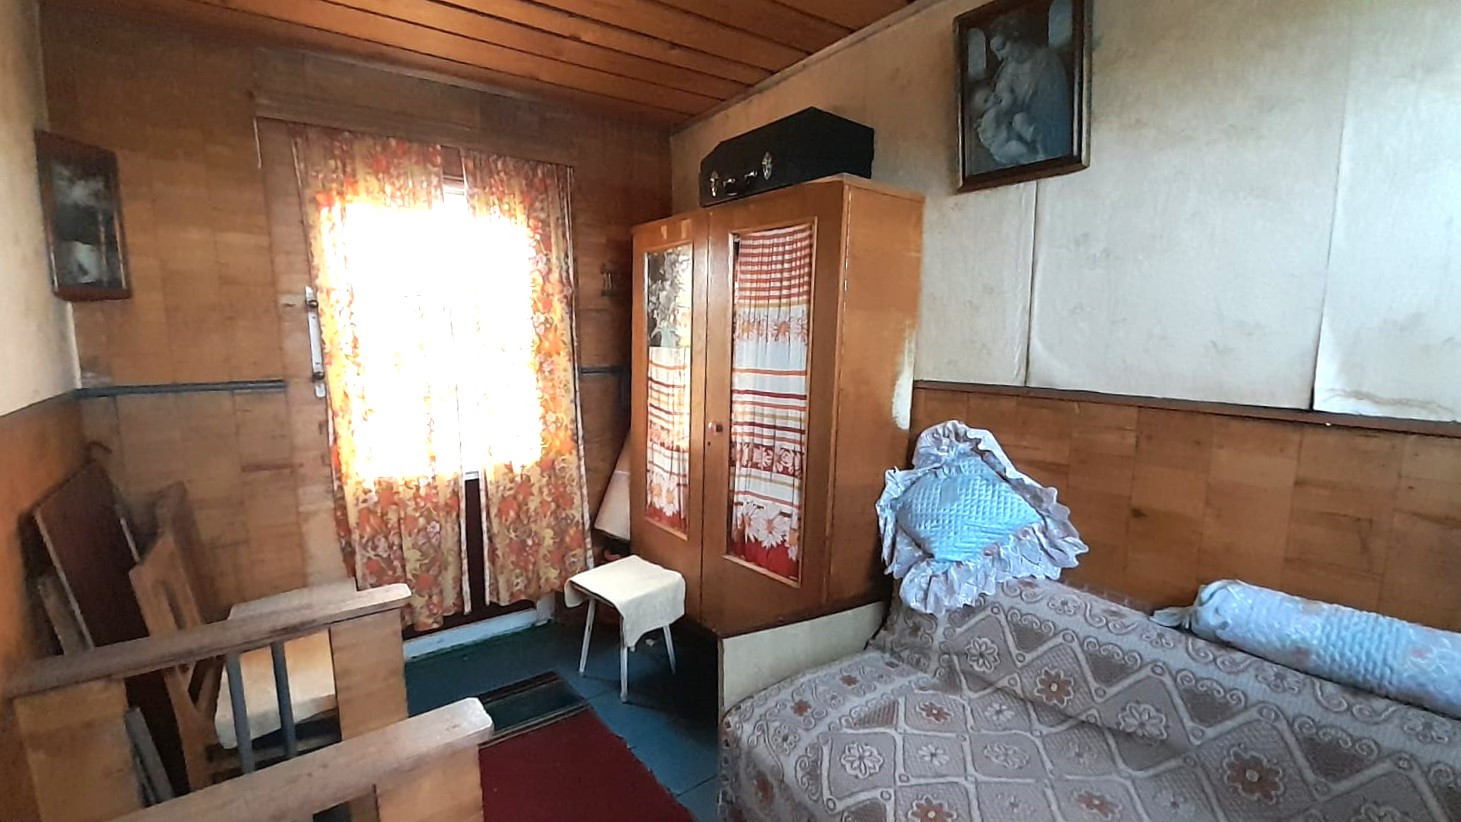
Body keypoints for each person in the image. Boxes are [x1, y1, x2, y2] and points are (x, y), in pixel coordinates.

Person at [982, 14, 1073, 164]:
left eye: (1002, 48)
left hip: (1042, 129)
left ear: (1016, 37)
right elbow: (999, 102)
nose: (1000, 57)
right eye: (996, 52)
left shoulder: (1046, 61)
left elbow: (1053, 107)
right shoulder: (1008, 68)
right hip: (1015, 130)